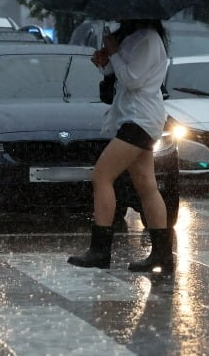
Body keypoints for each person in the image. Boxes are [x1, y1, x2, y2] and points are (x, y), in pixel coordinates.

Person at [67, 19, 173, 274]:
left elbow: (134, 80)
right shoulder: (131, 36)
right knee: (145, 184)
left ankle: (100, 250)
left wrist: (114, 52)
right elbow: (120, 75)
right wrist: (105, 61)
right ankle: (162, 255)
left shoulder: (148, 38)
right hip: (132, 116)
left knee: (102, 176)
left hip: (141, 118)